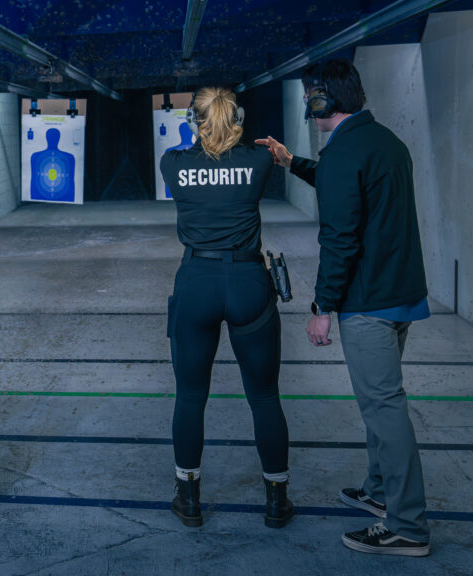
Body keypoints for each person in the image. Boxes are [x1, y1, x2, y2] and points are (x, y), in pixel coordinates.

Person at [256, 58, 431, 557]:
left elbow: (339, 236)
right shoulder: (382, 142)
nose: (310, 104)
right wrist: (295, 163)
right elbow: (350, 188)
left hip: (367, 302)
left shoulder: (342, 154)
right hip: (401, 294)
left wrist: (321, 307)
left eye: (313, 95)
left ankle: (408, 526)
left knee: (384, 409)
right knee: (381, 405)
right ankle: (380, 494)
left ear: (326, 100)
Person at [159, 87, 294, 529]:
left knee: (191, 396)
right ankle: (276, 502)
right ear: (236, 118)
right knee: (264, 396)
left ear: (195, 121)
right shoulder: (258, 162)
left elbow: (190, 150)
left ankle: (189, 499)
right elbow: (262, 156)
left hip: (197, 280)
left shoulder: (173, 165)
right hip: (248, 283)